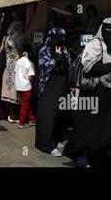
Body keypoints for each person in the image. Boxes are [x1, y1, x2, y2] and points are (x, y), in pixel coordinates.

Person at [63, 18, 111, 167]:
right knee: (88, 126)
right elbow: (88, 67)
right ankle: (81, 157)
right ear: (103, 29)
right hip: (96, 90)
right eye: (109, 30)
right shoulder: (95, 44)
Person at [35, 28, 71, 157]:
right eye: (57, 37)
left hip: (63, 85)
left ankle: (57, 139)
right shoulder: (44, 51)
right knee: (48, 115)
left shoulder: (64, 48)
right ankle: (46, 144)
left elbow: (68, 64)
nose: (60, 41)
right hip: (49, 86)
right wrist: (57, 57)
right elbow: (46, 67)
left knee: (61, 114)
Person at [0, 20, 24, 123]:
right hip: (16, 68)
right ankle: (13, 115)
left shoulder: (6, 38)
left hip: (7, 67)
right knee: (15, 92)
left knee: (8, 91)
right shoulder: (20, 38)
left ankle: (8, 114)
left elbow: (0, 50)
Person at [15, 44, 37, 129]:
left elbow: (16, 71)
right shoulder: (29, 63)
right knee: (25, 105)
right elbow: (30, 77)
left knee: (26, 104)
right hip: (26, 87)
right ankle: (21, 122)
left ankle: (31, 119)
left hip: (19, 86)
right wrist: (35, 84)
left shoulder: (18, 61)